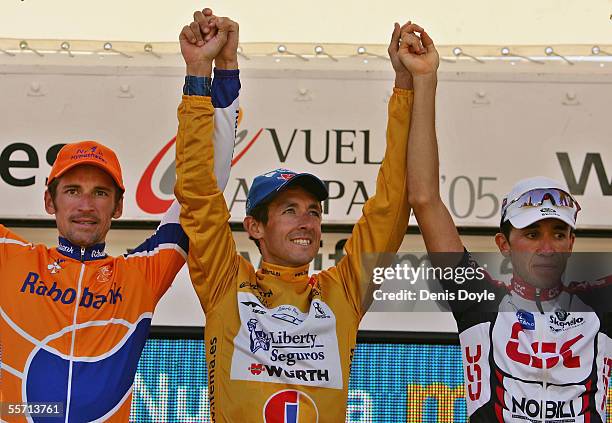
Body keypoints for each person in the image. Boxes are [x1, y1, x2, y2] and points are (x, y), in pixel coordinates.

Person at [174, 10, 430, 422]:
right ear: (255, 227)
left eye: (313, 211)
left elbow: (392, 205)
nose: (306, 222)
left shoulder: (342, 292)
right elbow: (197, 192)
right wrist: (200, 72)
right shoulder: (227, 281)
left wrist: (404, 84)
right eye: (289, 210)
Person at [0, 11, 240, 421]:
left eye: (100, 193)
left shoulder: (140, 275)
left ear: (119, 207)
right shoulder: (9, 257)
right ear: (49, 202)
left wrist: (207, 72)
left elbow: (202, 190)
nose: (86, 204)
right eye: (73, 191)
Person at [403, 26, 612, 422]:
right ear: (504, 243)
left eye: (557, 233)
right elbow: (424, 198)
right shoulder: (481, 302)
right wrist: (425, 79)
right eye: (531, 233)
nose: (546, 246)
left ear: (571, 242)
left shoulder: (600, 306)